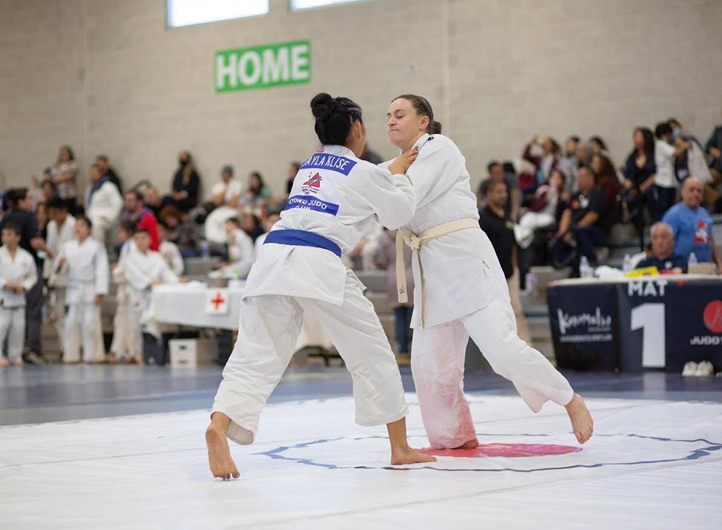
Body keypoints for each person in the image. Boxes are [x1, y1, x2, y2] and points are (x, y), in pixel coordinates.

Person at [206, 93, 434, 481]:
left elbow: (353, 184)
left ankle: (220, 426)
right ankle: (400, 447)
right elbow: (398, 212)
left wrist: (388, 170)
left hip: (273, 257)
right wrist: (400, 176)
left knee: (256, 353)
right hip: (316, 263)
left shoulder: (309, 165)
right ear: (358, 129)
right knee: (372, 352)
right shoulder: (364, 172)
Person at [384, 94, 592, 451]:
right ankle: (455, 437)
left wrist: (390, 176)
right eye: (387, 115)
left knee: (502, 349)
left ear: (423, 121)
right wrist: (389, 175)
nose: (390, 120)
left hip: (464, 262)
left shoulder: (439, 147)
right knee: (429, 366)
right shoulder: (397, 164)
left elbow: (401, 200)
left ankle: (570, 399)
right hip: (431, 272)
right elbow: (384, 211)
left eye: (399, 114)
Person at [0, 188, 53, 364]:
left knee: (6, 315)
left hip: (7, 272)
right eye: (28, 199)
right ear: (20, 202)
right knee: (33, 310)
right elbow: (35, 242)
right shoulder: (29, 218)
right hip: (28, 267)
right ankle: (33, 349)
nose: (32, 202)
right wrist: (50, 252)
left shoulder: (3, 219)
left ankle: (6, 351)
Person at [479, 180, 532, 345]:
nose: (503, 195)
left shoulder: (508, 215)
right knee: (496, 313)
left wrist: (515, 268)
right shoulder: (483, 218)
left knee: (516, 310)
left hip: (510, 272)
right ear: (489, 194)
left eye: (505, 191)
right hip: (492, 275)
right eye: (499, 191)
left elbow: (513, 244)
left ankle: (525, 346)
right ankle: (499, 347)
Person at [54, 217, 109, 364]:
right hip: (74, 288)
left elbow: (102, 270)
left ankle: (93, 355)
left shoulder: (96, 247)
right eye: (76, 226)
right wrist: (60, 265)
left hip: (90, 288)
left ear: (89, 229)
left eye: (82, 225)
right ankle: (71, 354)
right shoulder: (68, 246)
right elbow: (59, 268)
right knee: (71, 322)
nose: (78, 229)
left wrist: (100, 291)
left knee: (91, 323)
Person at [123, 229, 180, 364]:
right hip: (137, 296)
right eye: (137, 239)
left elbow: (166, 272)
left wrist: (176, 280)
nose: (141, 241)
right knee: (135, 327)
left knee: (152, 326)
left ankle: (151, 355)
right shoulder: (130, 258)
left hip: (153, 296)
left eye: (143, 238)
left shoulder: (156, 257)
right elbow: (133, 275)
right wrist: (149, 282)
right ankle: (136, 354)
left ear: (149, 240)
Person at [0, 224, 38, 367]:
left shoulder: (26, 256)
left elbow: (32, 276)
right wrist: (4, 284)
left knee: (18, 329)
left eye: (9, 234)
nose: (5, 238)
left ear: (18, 237)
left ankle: (15, 355)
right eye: (3, 235)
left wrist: (24, 286)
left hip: (19, 298)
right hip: (2, 298)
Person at [553, 166, 610, 273]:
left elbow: (593, 215)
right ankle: (562, 266)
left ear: (591, 177)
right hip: (575, 229)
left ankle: (592, 262)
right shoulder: (575, 196)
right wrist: (563, 232)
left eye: (582, 176)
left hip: (596, 231)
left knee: (580, 232)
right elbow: (567, 213)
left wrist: (573, 231)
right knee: (557, 238)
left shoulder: (597, 193)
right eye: (578, 176)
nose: (579, 179)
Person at [663, 177, 722, 274]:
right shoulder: (673, 215)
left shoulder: (705, 214)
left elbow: (711, 241)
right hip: (682, 270)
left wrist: (720, 266)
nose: (696, 194)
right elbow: (663, 244)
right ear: (682, 192)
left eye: (699, 191)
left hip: (706, 269)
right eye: (691, 190)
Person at [45, 197, 77, 349]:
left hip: (72, 276)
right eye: (50, 212)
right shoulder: (51, 225)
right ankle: (65, 348)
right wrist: (48, 276)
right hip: (55, 275)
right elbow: (50, 252)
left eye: (55, 212)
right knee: (57, 314)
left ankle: (74, 347)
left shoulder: (74, 225)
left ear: (64, 211)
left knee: (72, 314)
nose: (53, 215)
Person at [377, 229, 415, 356]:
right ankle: (414, 347)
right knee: (413, 315)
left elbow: (382, 260)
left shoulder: (384, 238)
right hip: (411, 277)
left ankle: (402, 349)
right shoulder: (410, 234)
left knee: (399, 314)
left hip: (395, 278)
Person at [109, 221, 140, 363]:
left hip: (131, 289)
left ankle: (132, 352)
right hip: (125, 289)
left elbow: (128, 268)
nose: (119, 235)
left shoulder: (131, 247)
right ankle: (122, 351)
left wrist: (117, 270)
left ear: (127, 232)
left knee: (131, 323)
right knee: (122, 322)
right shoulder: (126, 246)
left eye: (121, 231)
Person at [514, 169, 565, 249]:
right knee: (528, 218)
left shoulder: (563, 194)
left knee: (535, 222)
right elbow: (536, 206)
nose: (555, 180)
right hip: (538, 213)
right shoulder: (543, 189)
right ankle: (521, 237)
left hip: (549, 217)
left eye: (558, 178)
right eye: (553, 177)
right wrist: (546, 197)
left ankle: (522, 236)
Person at [622, 127, 657, 225]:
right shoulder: (632, 156)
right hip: (634, 187)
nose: (635, 139)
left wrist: (642, 188)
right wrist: (630, 186)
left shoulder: (653, 155)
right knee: (630, 199)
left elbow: (655, 174)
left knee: (650, 194)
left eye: (638, 136)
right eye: (634, 136)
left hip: (649, 187)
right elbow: (626, 175)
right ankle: (637, 225)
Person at [653, 122, 688, 221]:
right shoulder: (661, 144)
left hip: (670, 180)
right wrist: (681, 143)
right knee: (664, 207)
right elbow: (676, 152)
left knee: (671, 206)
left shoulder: (665, 145)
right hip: (663, 181)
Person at [84, 164, 123, 245]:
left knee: (97, 225)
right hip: (91, 217)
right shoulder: (90, 188)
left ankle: (99, 250)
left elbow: (118, 203)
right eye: (91, 173)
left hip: (105, 219)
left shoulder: (109, 187)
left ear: (101, 174)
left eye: (95, 173)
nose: (92, 175)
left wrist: (109, 216)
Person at [50, 145, 78, 213]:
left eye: (65, 153)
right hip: (59, 194)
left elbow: (70, 176)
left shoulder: (72, 164)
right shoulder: (56, 165)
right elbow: (52, 178)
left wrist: (59, 179)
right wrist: (62, 177)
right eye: (62, 153)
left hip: (70, 194)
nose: (64, 155)